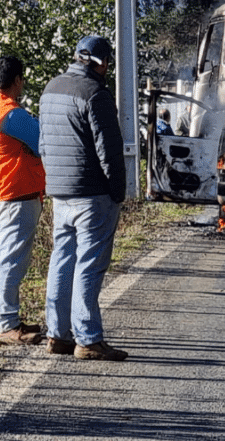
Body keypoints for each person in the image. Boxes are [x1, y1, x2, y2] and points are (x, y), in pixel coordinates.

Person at [38, 35, 128, 361]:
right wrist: (118, 192)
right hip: (92, 194)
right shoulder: (96, 94)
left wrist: (53, 181)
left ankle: (57, 335)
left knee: (62, 261)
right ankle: (88, 339)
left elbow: (43, 142)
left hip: (60, 192)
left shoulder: (50, 89)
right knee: (89, 264)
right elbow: (110, 151)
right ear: (102, 63)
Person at [0, 56, 46, 346]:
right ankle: (5, 323)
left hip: (0, 190)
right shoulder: (9, 113)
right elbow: (43, 140)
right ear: (17, 80)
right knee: (11, 259)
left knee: (4, 256)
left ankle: (5, 317)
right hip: (15, 194)